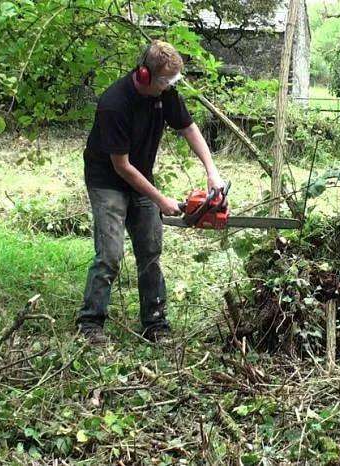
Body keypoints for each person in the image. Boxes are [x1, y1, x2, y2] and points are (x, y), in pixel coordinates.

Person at [77, 40, 223, 345]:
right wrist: (161, 199)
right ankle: (90, 324)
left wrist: (212, 171)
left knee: (150, 251)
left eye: (173, 81)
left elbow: (188, 128)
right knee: (110, 255)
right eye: (165, 81)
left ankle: (156, 324)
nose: (169, 87)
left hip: (140, 176)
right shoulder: (114, 103)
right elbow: (121, 167)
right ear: (144, 75)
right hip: (108, 180)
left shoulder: (165, 94)